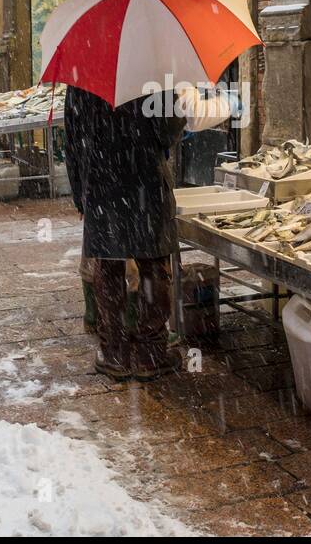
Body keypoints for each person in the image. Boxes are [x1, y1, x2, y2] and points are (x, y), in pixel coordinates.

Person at [66, 82, 230, 381]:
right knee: (154, 264)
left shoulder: (85, 78)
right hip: (147, 179)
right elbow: (169, 130)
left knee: (108, 264)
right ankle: (149, 353)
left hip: (102, 181)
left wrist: (80, 193)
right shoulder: (155, 70)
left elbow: (73, 138)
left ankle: (113, 351)